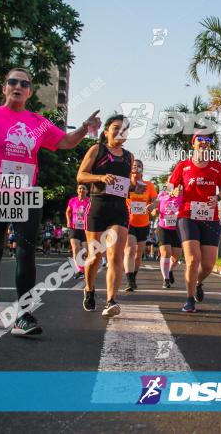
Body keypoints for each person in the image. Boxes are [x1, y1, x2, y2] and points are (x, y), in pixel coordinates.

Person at [0, 41, 99, 335]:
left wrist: (83, 128)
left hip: (25, 196)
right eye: (12, 82)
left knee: (26, 253)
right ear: (4, 88)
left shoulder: (38, 123)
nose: (18, 86)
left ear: (30, 91)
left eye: (24, 83)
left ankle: (24, 313)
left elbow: (65, 142)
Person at [77, 115, 136, 317]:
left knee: (115, 255)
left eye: (124, 129)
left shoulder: (129, 157)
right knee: (95, 256)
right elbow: (81, 175)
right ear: (106, 132)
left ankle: (111, 300)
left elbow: (127, 184)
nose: (120, 132)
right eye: (116, 128)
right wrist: (100, 177)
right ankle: (89, 289)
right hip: (98, 207)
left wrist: (135, 185)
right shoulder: (97, 150)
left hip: (119, 208)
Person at [169, 133, 221, 313]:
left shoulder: (217, 166)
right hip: (187, 216)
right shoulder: (183, 166)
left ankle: (197, 282)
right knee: (193, 259)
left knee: (208, 264)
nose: (204, 143)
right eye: (200, 140)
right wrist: (174, 190)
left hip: (210, 217)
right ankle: (189, 298)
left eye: (208, 141)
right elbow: (171, 185)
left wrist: (217, 197)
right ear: (193, 143)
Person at [124, 161, 157, 291]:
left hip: (143, 223)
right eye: (133, 165)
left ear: (142, 170)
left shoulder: (149, 186)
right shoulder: (126, 184)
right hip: (128, 221)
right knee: (130, 250)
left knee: (138, 254)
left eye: (138, 166)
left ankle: (133, 277)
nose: (135, 167)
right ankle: (129, 280)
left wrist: (153, 207)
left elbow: (155, 201)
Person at [153, 185, 182, 289]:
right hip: (163, 227)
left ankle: (170, 270)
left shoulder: (184, 196)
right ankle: (165, 279)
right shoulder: (162, 195)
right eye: (172, 183)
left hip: (178, 229)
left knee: (176, 257)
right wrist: (154, 211)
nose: (175, 186)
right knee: (166, 252)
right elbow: (155, 209)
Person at [66, 185, 90, 277]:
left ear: (87, 191)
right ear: (77, 190)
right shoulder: (73, 200)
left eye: (84, 188)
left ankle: (86, 268)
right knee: (75, 249)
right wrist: (68, 221)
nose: (81, 190)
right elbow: (68, 211)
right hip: (74, 227)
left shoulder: (89, 201)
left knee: (85, 251)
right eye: (80, 188)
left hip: (85, 228)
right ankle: (80, 270)